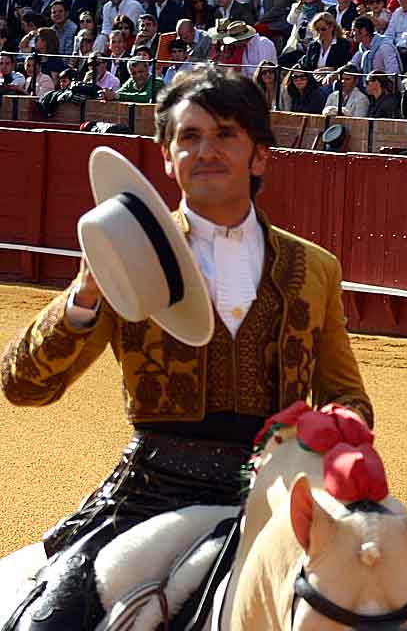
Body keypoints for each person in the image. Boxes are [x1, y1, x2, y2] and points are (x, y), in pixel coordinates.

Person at [1, 63, 373, 629]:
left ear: (259, 156)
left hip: (278, 494)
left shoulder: (313, 268)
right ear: (167, 159)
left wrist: (336, 428)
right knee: (49, 620)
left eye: (226, 134)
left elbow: (348, 396)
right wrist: (85, 293)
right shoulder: (129, 254)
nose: (207, 151)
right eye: (189, 137)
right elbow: (23, 387)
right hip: (154, 489)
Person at [300, 11, 352, 79]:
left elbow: (347, 66)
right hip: (313, 81)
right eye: (317, 29)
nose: (320, 32)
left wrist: (332, 70)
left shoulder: (343, 45)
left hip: (333, 81)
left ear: (332, 27)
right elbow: (307, 67)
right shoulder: (313, 45)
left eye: (323, 29)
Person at [279, 0, 325, 69]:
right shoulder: (296, 7)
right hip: (296, 46)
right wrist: (299, 5)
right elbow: (290, 21)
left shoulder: (324, 9)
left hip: (313, 47)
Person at [351, 15, 401, 85]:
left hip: (386, 91)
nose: (351, 34)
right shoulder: (363, 49)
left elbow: (393, 73)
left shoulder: (385, 47)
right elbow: (352, 66)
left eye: (353, 30)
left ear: (363, 31)